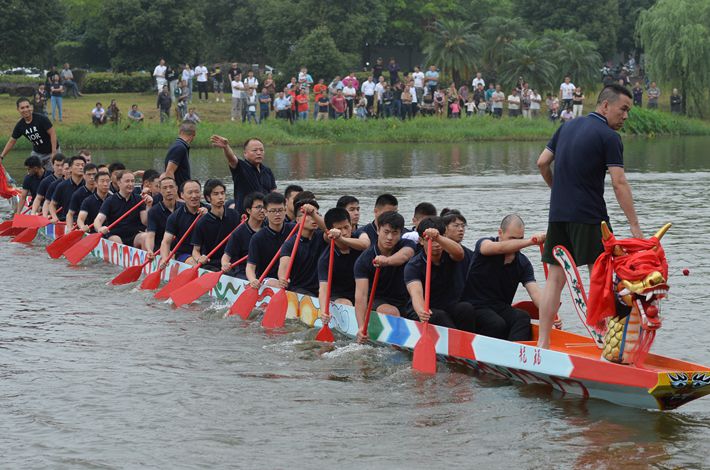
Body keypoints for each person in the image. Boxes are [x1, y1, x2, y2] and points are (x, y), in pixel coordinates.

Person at [536, 84, 642, 349]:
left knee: (555, 278)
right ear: (605, 105)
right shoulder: (609, 137)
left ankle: (543, 342)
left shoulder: (566, 127)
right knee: (600, 275)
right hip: (589, 216)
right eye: (623, 109)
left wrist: (557, 189)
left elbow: (541, 162)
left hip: (557, 215)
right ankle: (609, 343)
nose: (625, 116)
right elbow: (619, 183)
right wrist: (635, 227)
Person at [462, 215, 544, 341]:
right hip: (474, 306)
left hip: (500, 307)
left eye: (520, 239)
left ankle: (517, 354)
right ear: (500, 233)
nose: (517, 244)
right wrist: (531, 241)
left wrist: (550, 314)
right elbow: (498, 248)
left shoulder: (523, 262)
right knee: (496, 324)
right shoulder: (484, 244)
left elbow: (535, 293)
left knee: (522, 317)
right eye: (512, 239)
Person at [354, 211, 416, 343]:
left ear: (401, 233)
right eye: (386, 231)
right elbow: (361, 296)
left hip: (404, 301)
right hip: (377, 302)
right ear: (378, 230)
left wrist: (386, 261)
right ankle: (397, 351)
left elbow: (405, 255)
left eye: (394, 233)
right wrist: (361, 327)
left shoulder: (407, 244)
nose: (389, 237)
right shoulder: (364, 260)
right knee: (392, 312)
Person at [403, 217, 474, 331]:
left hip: (447, 305)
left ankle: (467, 341)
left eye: (439, 239)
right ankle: (456, 343)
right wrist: (421, 310)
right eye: (430, 240)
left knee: (466, 308)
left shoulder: (450, 253)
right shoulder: (414, 266)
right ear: (421, 241)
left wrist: (437, 237)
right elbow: (416, 293)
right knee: (439, 316)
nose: (436, 244)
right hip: (424, 310)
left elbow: (460, 253)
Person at [210, 136, 277, 214]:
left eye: (261, 150)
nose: (259, 153)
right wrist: (226, 147)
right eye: (255, 150)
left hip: (265, 214)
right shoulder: (240, 167)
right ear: (245, 153)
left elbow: (273, 192)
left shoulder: (267, 171)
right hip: (245, 215)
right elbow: (231, 158)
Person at [317, 208, 363, 321]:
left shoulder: (361, 245)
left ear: (351, 225)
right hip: (338, 297)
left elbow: (366, 244)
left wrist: (342, 238)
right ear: (329, 232)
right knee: (345, 303)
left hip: (361, 294)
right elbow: (323, 289)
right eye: (339, 229)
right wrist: (323, 311)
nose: (344, 232)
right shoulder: (325, 259)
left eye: (346, 227)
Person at [245, 192, 296, 289]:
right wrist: (252, 280)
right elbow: (250, 267)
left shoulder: (294, 230)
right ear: (265, 212)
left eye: (280, 210)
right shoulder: (257, 238)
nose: (277, 214)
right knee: (274, 283)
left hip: (288, 277)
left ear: (285, 210)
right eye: (273, 211)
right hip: (267, 279)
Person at [276, 199, 327, 296]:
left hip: (322, 290)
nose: (314, 218)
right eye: (309, 215)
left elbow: (329, 229)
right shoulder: (290, 244)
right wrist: (282, 279)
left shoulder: (323, 237)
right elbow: (283, 267)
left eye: (316, 214)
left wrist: (312, 213)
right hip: (299, 290)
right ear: (298, 220)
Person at [190, 179, 239, 271]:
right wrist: (199, 258)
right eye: (216, 194)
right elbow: (195, 250)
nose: (220, 197)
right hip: (212, 263)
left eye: (222, 193)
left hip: (232, 262)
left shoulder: (234, 215)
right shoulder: (202, 223)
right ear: (208, 198)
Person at [95, 170, 152, 248]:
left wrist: (149, 206)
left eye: (132, 181)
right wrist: (100, 228)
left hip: (134, 235)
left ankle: (146, 258)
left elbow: (145, 222)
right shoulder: (110, 200)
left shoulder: (139, 199)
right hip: (115, 235)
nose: (131, 184)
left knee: (145, 237)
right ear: (119, 183)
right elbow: (98, 220)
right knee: (116, 240)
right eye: (127, 181)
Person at [221, 192, 265, 279]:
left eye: (264, 207)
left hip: (265, 271)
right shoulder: (238, 233)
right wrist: (225, 265)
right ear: (248, 210)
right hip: (243, 273)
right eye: (258, 207)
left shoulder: (269, 228)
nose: (262, 210)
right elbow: (225, 258)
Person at [159, 179, 204, 266]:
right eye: (190, 193)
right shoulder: (175, 217)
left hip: (205, 253)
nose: (194, 196)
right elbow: (166, 242)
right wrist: (164, 258)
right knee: (193, 263)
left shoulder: (209, 211)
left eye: (197, 192)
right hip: (184, 254)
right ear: (182, 195)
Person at [144, 176, 180, 256]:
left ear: (176, 188)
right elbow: (150, 235)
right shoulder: (153, 211)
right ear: (160, 190)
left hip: (180, 248)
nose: (168, 190)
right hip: (160, 248)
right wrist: (149, 250)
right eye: (165, 188)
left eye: (171, 187)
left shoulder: (184, 208)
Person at [50, 155, 86, 223]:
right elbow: (52, 204)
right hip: (66, 221)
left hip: (84, 223)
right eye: (77, 165)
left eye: (83, 165)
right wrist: (54, 217)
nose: (81, 167)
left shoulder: (89, 186)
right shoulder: (62, 186)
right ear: (70, 168)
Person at [164, 121, 196, 188]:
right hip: (179, 194)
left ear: (180, 132)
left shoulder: (179, 146)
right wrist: (175, 195)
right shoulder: (180, 147)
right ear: (194, 134)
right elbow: (169, 172)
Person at [65, 163, 98, 229]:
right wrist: (69, 229)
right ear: (84, 176)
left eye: (94, 174)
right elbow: (70, 214)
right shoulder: (77, 194)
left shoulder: (103, 192)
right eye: (89, 174)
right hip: (84, 227)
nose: (92, 177)